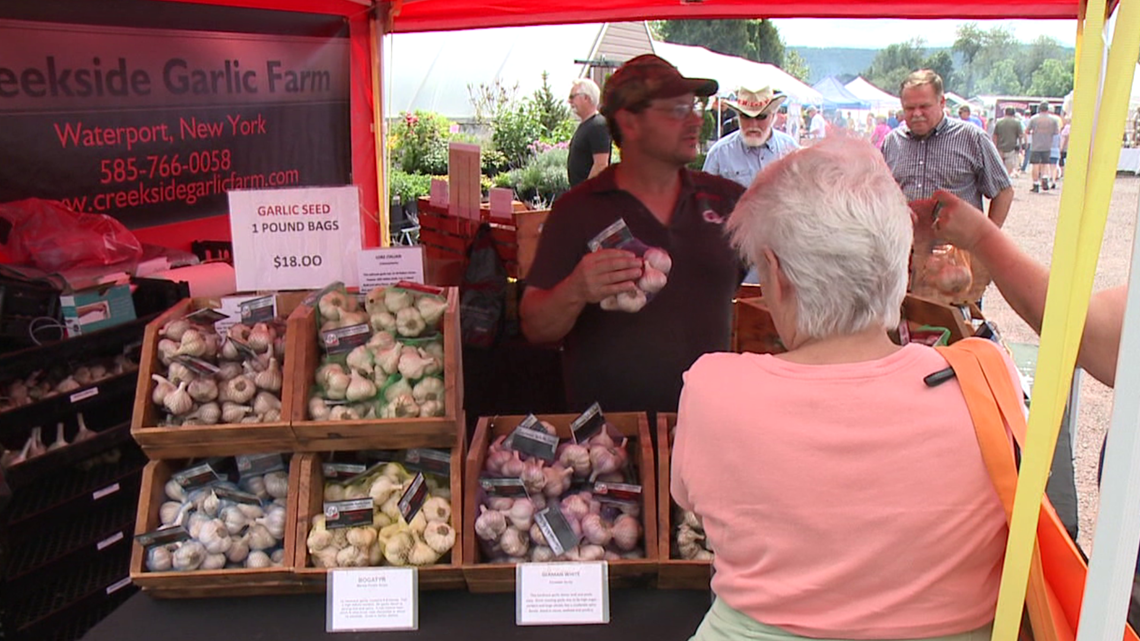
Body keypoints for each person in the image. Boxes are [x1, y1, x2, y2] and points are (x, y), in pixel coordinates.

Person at [673, 137, 1011, 641]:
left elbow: (694, 502)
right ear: (903, 267)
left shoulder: (713, 390)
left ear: (779, 276)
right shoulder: (985, 378)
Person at [520, 54, 746, 414]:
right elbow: (534, 325)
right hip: (608, 446)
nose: (695, 120)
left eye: (693, 106)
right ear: (629, 121)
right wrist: (577, 287)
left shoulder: (730, 202)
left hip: (708, 432)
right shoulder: (577, 210)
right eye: (676, 110)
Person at [880, 69, 1013, 304]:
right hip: (906, 260)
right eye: (909, 108)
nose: (917, 114)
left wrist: (985, 243)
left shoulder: (972, 138)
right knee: (907, 328)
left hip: (957, 262)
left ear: (942, 102)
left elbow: (1003, 191)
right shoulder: (893, 142)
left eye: (924, 106)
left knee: (958, 329)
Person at [702, 86, 799, 188]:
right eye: (746, 116)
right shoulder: (719, 153)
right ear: (738, 117)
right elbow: (703, 198)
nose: (753, 124)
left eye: (761, 117)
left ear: (773, 116)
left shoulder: (791, 149)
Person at [566, 78, 611, 187]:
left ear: (586, 97)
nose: (569, 101)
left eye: (572, 97)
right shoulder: (587, 125)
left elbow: (601, 164)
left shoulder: (598, 125)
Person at [1027, 100, 1061, 193]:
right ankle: (1045, 177)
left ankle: (1035, 184)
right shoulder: (1053, 120)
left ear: (1039, 109)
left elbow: (1027, 130)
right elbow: (1056, 132)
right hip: (1047, 145)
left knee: (1035, 164)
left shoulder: (1034, 119)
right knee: (1045, 163)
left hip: (1036, 145)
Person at [992, 106, 1025, 177]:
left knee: (999, 165)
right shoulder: (1017, 122)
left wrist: (994, 146)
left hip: (999, 147)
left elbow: (995, 135)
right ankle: (1006, 179)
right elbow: (1020, 135)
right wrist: (1021, 147)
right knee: (1009, 168)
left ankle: (1000, 179)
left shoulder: (999, 122)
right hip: (1011, 148)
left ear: (1005, 112)